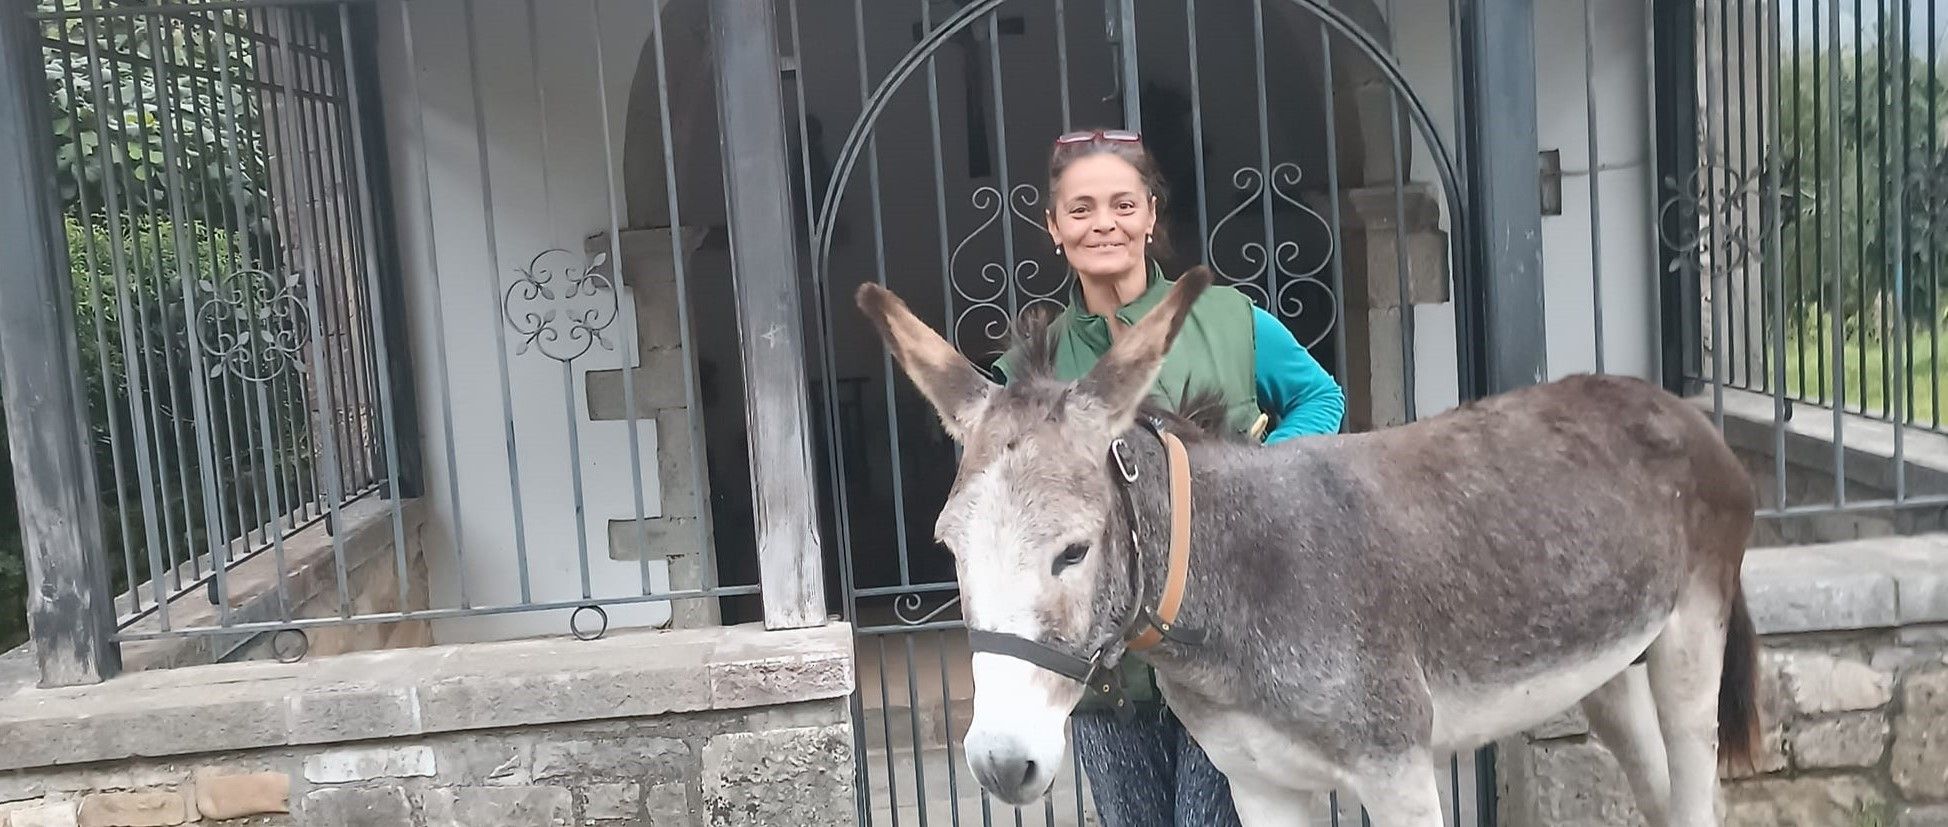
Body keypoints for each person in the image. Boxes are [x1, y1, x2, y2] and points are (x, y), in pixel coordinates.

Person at [990, 128, 1345, 826]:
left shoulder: (1229, 321)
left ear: (1151, 215)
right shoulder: (1033, 366)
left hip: (1226, 651)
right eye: (1082, 207)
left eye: (1123, 203)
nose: (1105, 223)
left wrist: (1247, 477)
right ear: (1054, 227)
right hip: (1107, 677)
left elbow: (1320, 397)